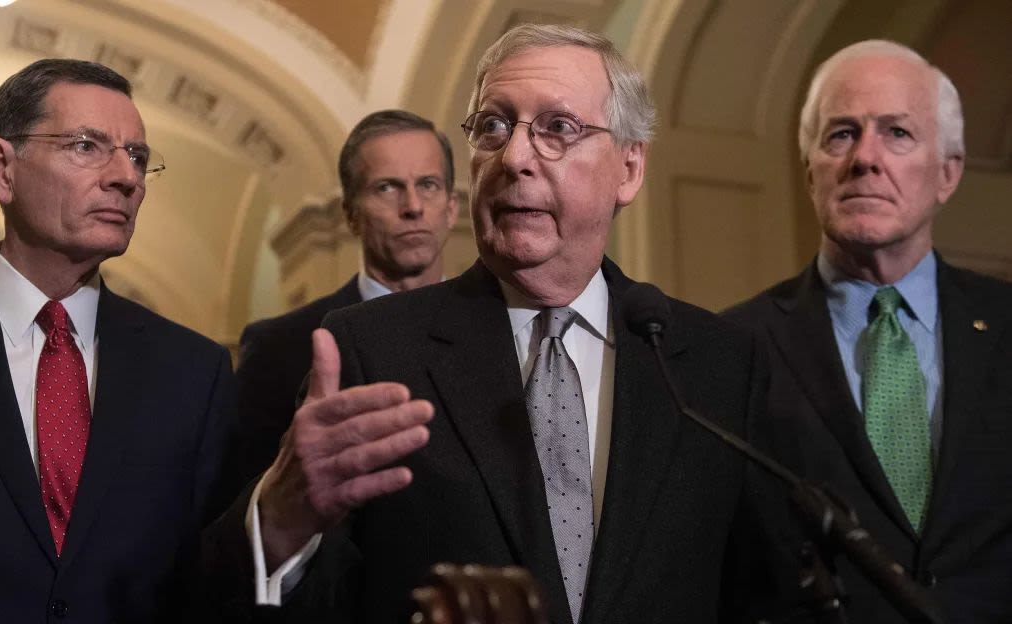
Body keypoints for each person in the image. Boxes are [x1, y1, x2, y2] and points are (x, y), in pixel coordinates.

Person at [207, 24, 794, 624]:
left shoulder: (718, 363)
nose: (514, 158)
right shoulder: (372, 349)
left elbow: (765, 595)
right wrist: (279, 522)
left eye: (558, 129)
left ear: (629, 168)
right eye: (492, 126)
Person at [0, 58, 262, 623]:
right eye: (86, 146)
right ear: (1, 168)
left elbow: (210, 579)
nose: (126, 177)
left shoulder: (195, 370)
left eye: (138, 157)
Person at [726, 40, 1012, 622]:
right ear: (810, 172)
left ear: (947, 174)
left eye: (897, 133)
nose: (865, 158)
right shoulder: (734, 347)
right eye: (841, 134)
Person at [227, 110, 459, 496]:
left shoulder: (502, 325)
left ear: (451, 208)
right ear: (351, 215)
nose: (413, 206)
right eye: (387, 187)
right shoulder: (279, 347)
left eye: (429, 185)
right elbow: (242, 508)